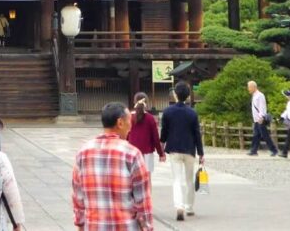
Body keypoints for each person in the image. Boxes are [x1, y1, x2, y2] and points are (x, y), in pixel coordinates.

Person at [71, 101, 154, 231]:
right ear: (120, 123)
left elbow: (78, 197)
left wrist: (80, 225)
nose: (130, 127)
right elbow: (142, 202)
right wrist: (147, 227)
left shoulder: (83, 152)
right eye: (129, 122)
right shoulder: (132, 154)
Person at [160, 81, 204, 222]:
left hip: (174, 148)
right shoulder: (192, 113)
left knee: (177, 180)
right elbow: (197, 134)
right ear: (187, 95)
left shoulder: (168, 112)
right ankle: (189, 207)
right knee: (189, 180)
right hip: (189, 149)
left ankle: (179, 206)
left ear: (175, 94)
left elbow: (164, 131)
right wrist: (201, 153)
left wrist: (162, 145)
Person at [126, 92, 165, 177]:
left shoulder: (129, 117)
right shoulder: (150, 118)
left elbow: (125, 135)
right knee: (147, 178)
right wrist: (160, 153)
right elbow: (155, 138)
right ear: (146, 103)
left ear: (134, 102)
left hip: (132, 151)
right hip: (147, 152)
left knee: (133, 178)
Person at [246, 80, 278, 156]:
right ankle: (254, 150)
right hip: (256, 119)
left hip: (260, 119)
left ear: (253, 87)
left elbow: (262, 107)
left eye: (249, 87)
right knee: (256, 135)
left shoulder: (260, 95)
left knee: (265, 135)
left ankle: (274, 150)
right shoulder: (254, 96)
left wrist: (261, 117)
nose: (248, 89)